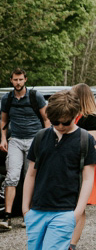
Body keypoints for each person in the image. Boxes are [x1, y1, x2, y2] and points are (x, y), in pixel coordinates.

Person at [19, 91, 96, 250]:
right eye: (56, 122)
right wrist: (25, 208)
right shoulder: (41, 137)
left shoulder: (84, 140)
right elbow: (31, 174)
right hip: (37, 211)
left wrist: (76, 212)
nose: (61, 126)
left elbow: (88, 179)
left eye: (65, 121)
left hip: (64, 212)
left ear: (75, 115)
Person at [1, 68, 50, 230]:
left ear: (25, 80)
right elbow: (3, 121)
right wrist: (3, 139)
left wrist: (46, 139)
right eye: (15, 80)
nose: (18, 82)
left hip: (34, 140)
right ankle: (7, 217)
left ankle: (28, 214)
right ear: (11, 81)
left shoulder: (35, 96)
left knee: (31, 176)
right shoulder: (7, 99)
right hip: (15, 140)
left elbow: (46, 119)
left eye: (21, 79)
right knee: (12, 176)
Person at [63, 84, 96, 250]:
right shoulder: (73, 117)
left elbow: (90, 140)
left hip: (83, 165)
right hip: (68, 164)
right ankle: (63, 242)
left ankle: (72, 245)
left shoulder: (91, 118)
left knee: (80, 206)